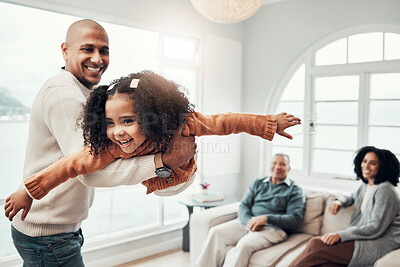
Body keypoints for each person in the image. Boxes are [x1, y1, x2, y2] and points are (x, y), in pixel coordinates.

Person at [5, 19, 196, 267]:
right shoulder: (63, 94)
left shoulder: (88, 94)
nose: (97, 59)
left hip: (52, 231)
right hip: (47, 235)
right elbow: (88, 171)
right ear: (65, 50)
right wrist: (163, 162)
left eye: (104, 50)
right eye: (88, 49)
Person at [5, 70, 302, 221]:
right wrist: (28, 191)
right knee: (91, 163)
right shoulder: (110, 148)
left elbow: (224, 122)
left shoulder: (182, 123)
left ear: (153, 115)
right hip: (155, 177)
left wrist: (269, 123)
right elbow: (68, 166)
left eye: (127, 121)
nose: (117, 132)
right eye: (109, 123)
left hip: (183, 174)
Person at [289, 146, 400, 267]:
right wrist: (339, 201)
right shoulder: (368, 184)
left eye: (373, 163)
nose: (366, 166)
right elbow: (352, 197)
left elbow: (375, 227)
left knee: (317, 243)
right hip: (367, 239)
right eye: (364, 161)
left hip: (380, 243)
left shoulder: (385, 190)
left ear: (383, 167)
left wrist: (341, 235)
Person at [194, 153, 306, 267]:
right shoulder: (258, 183)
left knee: (244, 245)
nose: (277, 167)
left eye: (282, 164)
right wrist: (249, 221)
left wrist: (266, 219)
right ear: (270, 165)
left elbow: (295, 219)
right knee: (215, 232)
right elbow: (244, 205)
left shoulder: (295, 190)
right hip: (248, 223)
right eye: (274, 163)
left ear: (289, 168)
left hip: (272, 229)